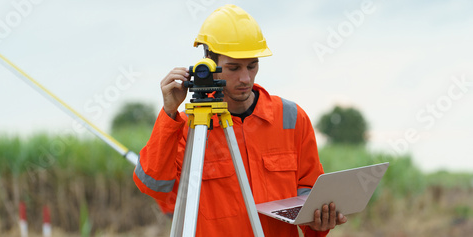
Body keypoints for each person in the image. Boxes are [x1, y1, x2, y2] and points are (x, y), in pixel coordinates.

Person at [133, 4, 347, 236]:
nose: (245, 78)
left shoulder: (290, 117)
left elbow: (308, 192)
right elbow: (153, 185)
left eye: (252, 66)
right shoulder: (190, 127)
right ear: (209, 62)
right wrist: (169, 113)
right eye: (233, 68)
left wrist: (318, 221)